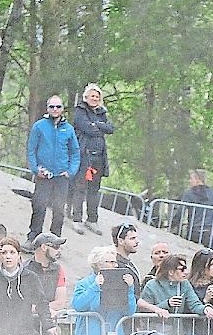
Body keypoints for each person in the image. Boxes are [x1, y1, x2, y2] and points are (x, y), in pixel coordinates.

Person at [25, 96, 80, 247]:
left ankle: (54, 242)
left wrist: (70, 171)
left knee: (59, 210)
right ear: (47, 108)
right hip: (44, 176)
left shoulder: (68, 129)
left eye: (58, 107)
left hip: (61, 177)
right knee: (39, 206)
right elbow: (31, 150)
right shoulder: (39, 126)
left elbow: (75, 152)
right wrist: (36, 170)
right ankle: (33, 238)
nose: (55, 109)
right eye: (52, 107)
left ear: (62, 109)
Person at [69, 83, 114, 235]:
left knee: (94, 190)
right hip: (84, 155)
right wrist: (100, 128)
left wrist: (97, 124)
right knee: (80, 187)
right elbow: (85, 127)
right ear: (86, 97)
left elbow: (111, 129)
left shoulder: (101, 113)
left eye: (97, 96)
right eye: (92, 96)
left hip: (99, 157)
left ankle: (92, 219)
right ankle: (77, 219)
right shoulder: (80, 110)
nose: (94, 98)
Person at [110, 221, 167, 319]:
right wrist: (155, 308)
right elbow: (128, 296)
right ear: (121, 241)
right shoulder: (114, 264)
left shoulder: (129, 263)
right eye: (132, 238)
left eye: (136, 238)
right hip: (119, 318)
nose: (137, 242)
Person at [181, 169, 213, 248]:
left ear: (198, 179)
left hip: (194, 229)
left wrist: (173, 225)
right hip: (209, 229)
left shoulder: (189, 193)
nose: (189, 181)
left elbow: (180, 211)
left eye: (191, 178)